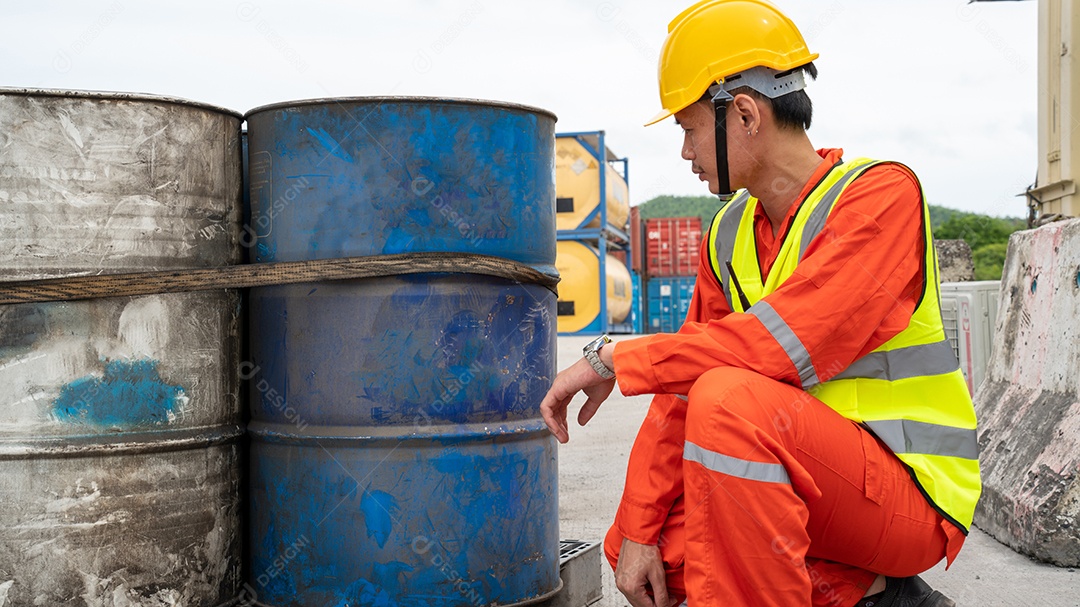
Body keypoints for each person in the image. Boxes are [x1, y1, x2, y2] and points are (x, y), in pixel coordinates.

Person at [538, 1, 982, 606]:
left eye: (689, 129)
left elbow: (781, 343)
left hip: (903, 491)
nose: (686, 152)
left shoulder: (878, 197)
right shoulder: (727, 235)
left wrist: (619, 357)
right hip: (803, 474)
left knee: (731, 405)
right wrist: (638, 528)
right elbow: (680, 392)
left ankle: (877, 583)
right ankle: (872, 595)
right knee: (644, 552)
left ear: (743, 113)